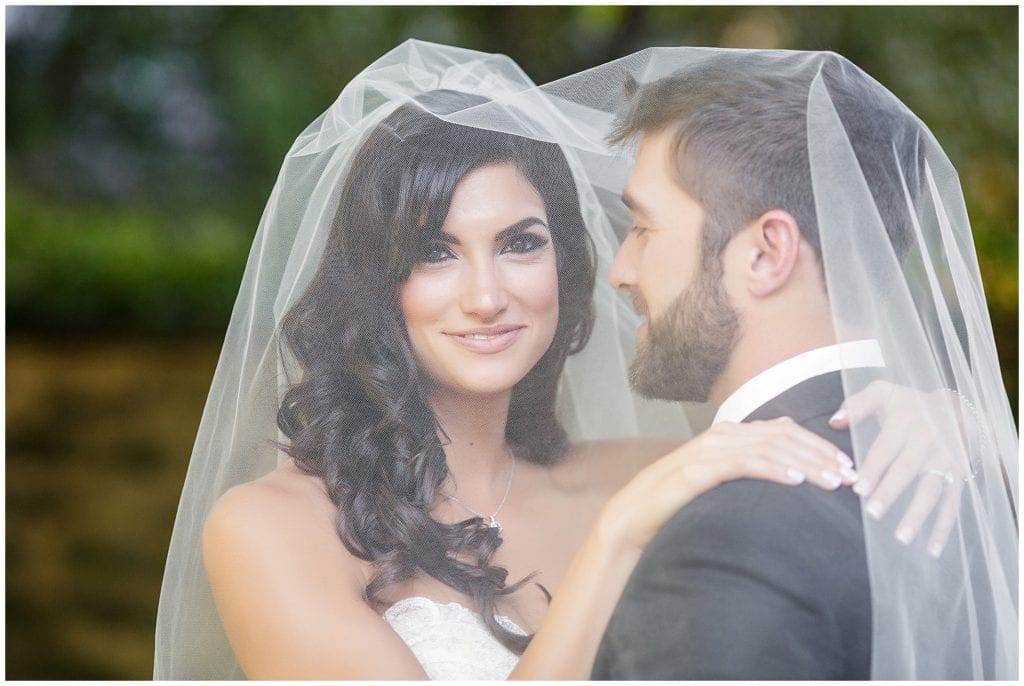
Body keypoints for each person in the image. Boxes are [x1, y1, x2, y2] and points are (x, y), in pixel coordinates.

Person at [152, 41, 1012, 680]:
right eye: (436, 252)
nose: (487, 295)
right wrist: (613, 539)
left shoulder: (670, 467)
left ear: (566, 261)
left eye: (521, 244)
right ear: (380, 282)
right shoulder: (270, 529)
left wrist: (936, 412)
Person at [582, 50, 1018, 679]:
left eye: (644, 228)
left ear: (766, 253)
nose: (620, 273)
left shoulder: (727, 538)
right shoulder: (985, 479)